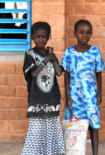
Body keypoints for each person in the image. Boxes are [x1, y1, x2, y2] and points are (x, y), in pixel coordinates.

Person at [62, 19, 105, 155]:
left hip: (90, 96)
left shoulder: (95, 51)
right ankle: (73, 151)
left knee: (93, 127)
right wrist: (68, 96)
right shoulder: (69, 52)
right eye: (81, 32)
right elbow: (66, 75)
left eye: (88, 33)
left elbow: (98, 73)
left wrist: (99, 94)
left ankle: (95, 152)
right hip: (74, 97)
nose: (84, 36)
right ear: (75, 33)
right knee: (74, 127)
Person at [22, 21, 65, 155]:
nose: (41, 39)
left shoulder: (50, 54)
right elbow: (34, 73)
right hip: (37, 99)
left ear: (48, 37)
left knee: (51, 130)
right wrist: (46, 60)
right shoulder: (30, 54)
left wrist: (53, 58)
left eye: (44, 36)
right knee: (36, 130)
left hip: (52, 99)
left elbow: (58, 72)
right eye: (37, 37)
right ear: (32, 38)